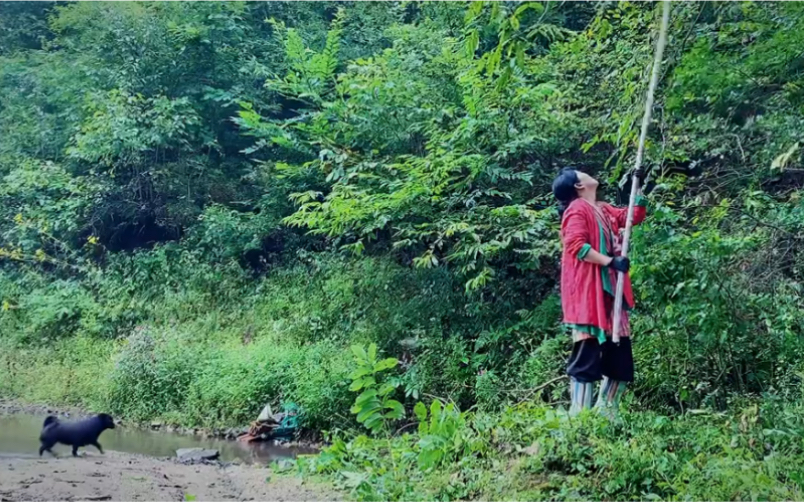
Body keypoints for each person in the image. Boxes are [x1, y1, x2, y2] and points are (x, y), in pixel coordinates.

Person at [552, 168, 647, 417]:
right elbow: (576, 245)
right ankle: (579, 417)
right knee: (587, 354)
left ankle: (606, 415)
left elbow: (631, 217)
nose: (588, 173)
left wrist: (638, 185)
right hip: (589, 294)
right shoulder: (577, 209)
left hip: (610, 295)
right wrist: (609, 262)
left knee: (620, 357)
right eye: (581, 173)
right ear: (578, 186)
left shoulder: (602, 209)